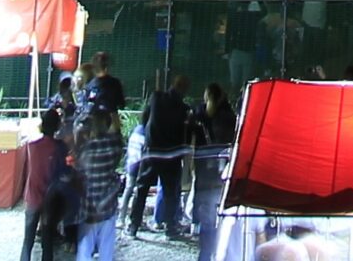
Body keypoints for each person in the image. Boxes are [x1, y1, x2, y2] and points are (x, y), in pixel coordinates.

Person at [131, 75, 191, 238]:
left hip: (151, 151)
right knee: (171, 192)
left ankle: (133, 225)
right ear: (184, 90)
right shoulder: (184, 109)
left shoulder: (156, 97)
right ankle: (170, 227)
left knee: (141, 189)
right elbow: (185, 134)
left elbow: (144, 120)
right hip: (171, 155)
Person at [189, 84, 236, 261]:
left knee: (204, 207)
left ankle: (202, 241)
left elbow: (191, 138)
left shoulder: (199, 113)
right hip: (222, 168)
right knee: (221, 210)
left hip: (203, 165)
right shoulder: (229, 116)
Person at [73, 108, 126, 261]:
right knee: (106, 249)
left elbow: (78, 174)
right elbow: (118, 136)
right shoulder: (113, 146)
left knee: (84, 250)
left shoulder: (85, 149)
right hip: (108, 207)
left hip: (88, 209)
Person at [19, 108, 71, 261]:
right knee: (47, 241)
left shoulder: (31, 146)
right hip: (50, 200)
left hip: (32, 196)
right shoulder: (60, 147)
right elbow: (65, 173)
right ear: (57, 126)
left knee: (27, 241)